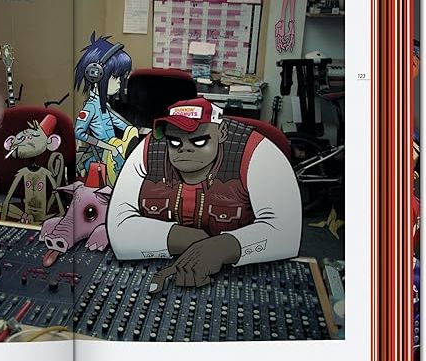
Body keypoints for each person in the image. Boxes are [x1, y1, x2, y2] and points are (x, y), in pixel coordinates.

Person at [106, 97, 302, 293]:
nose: (184, 148)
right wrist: (192, 240)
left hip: (245, 276)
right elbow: (118, 228)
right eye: (174, 141)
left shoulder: (258, 152)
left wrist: (223, 248)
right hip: (166, 266)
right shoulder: (148, 150)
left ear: (222, 132)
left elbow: (287, 233)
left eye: (198, 140)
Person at [74, 32, 132, 173]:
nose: (120, 83)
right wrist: (109, 147)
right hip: (97, 162)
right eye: (116, 78)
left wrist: (131, 130)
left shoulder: (104, 106)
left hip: (109, 157)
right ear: (96, 75)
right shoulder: (90, 107)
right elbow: (79, 132)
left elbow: (117, 121)